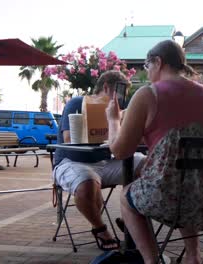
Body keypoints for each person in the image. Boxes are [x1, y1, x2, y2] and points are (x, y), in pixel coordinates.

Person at [106, 40, 203, 264]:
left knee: (126, 197)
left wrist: (114, 120)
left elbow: (120, 151)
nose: (147, 72)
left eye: (147, 65)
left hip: (173, 200)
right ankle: (194, 256)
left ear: (158, 62)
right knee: (184, 180)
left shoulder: (148, 94)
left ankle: (152, 261)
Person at [53, 70, 145, 250]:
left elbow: (124, 143)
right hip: (71, 161)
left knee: (147, 165)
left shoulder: (118, 111)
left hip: (105, 162)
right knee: (87, 182)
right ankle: (100, 229)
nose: (122, 98)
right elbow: (68, 139)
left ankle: (131, 216)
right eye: (119, 92)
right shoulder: (78, 103)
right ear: (106, 87)